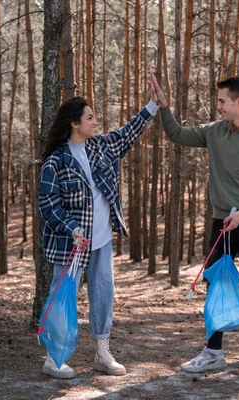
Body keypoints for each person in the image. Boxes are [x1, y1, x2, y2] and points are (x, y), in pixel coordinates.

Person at [151, 75, 239, 376]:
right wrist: (164, 107)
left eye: (222, 101)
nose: (218, 106)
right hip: (220, 225)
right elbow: (177, 134)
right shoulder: (214, 131)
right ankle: (213, 352)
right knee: (215, 287)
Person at [38, 73, 161, 379]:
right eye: (90, 117)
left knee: (104, 296)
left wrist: (152, 106)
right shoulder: (56, 161)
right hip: (71, 244)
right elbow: (48, 205)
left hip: (102, 241)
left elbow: (126, 134)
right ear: (74, 124)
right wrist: (72, 228)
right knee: (62, 298)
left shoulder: (100, 148)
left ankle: (102, 354)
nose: (95, 122)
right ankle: (54, 358)